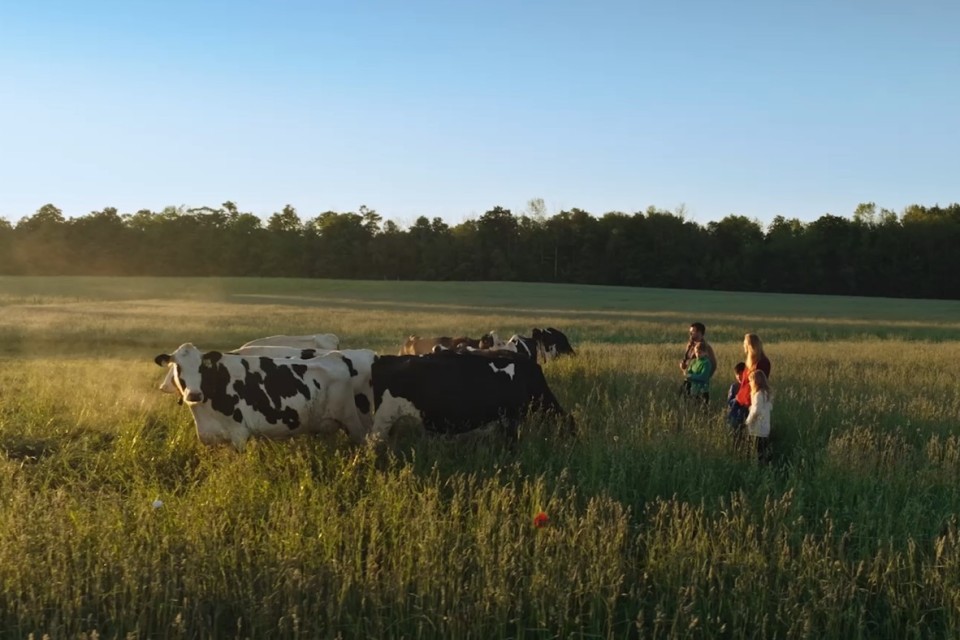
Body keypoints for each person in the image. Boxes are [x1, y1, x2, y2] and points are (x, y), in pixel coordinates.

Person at [733, 333, 771, 418]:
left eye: (744, 344)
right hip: (743, 399)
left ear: (750, 346)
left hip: (751, 400)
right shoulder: (750, 361)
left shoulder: (762, 362)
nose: (743, 346)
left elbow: (758, 383)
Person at [679, 322, 717, 396]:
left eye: (693, 331)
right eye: (690, 332)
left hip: (699, 384)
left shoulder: (706, 347)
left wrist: (703, 378)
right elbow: (687, 360)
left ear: (699, 333)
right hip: (688, 380)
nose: (690, 334)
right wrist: (684, 367)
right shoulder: (690, 345)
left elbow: (713, 365)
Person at [743, 369, 773, 463]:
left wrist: (748, 422)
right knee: (762, 451)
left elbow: (756, 411)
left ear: (756, 381)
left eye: (751, 381)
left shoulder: (758, 395)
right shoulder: (765, 394)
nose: (749, 384)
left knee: (756, 451)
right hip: (765, 428)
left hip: (757, 428)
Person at [727, 361, 747, 427]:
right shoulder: (734, 386)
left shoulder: (750, 386)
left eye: (741, 374)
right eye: (737, 374)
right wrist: (737, 399)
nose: (739, 376)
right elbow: (729, 402)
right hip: (735, 416)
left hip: (746, 416)